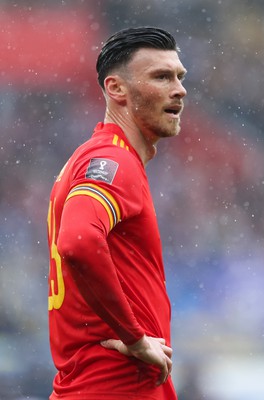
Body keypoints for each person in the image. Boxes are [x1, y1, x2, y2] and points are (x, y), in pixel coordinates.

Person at [47, 26, 187, 400]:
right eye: (161, 76)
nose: (179, 89)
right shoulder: (112, 160)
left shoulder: (92, 157)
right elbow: (77, 241)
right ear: (116, 89)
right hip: (117, 382)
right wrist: (135, 338)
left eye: (179, 76)